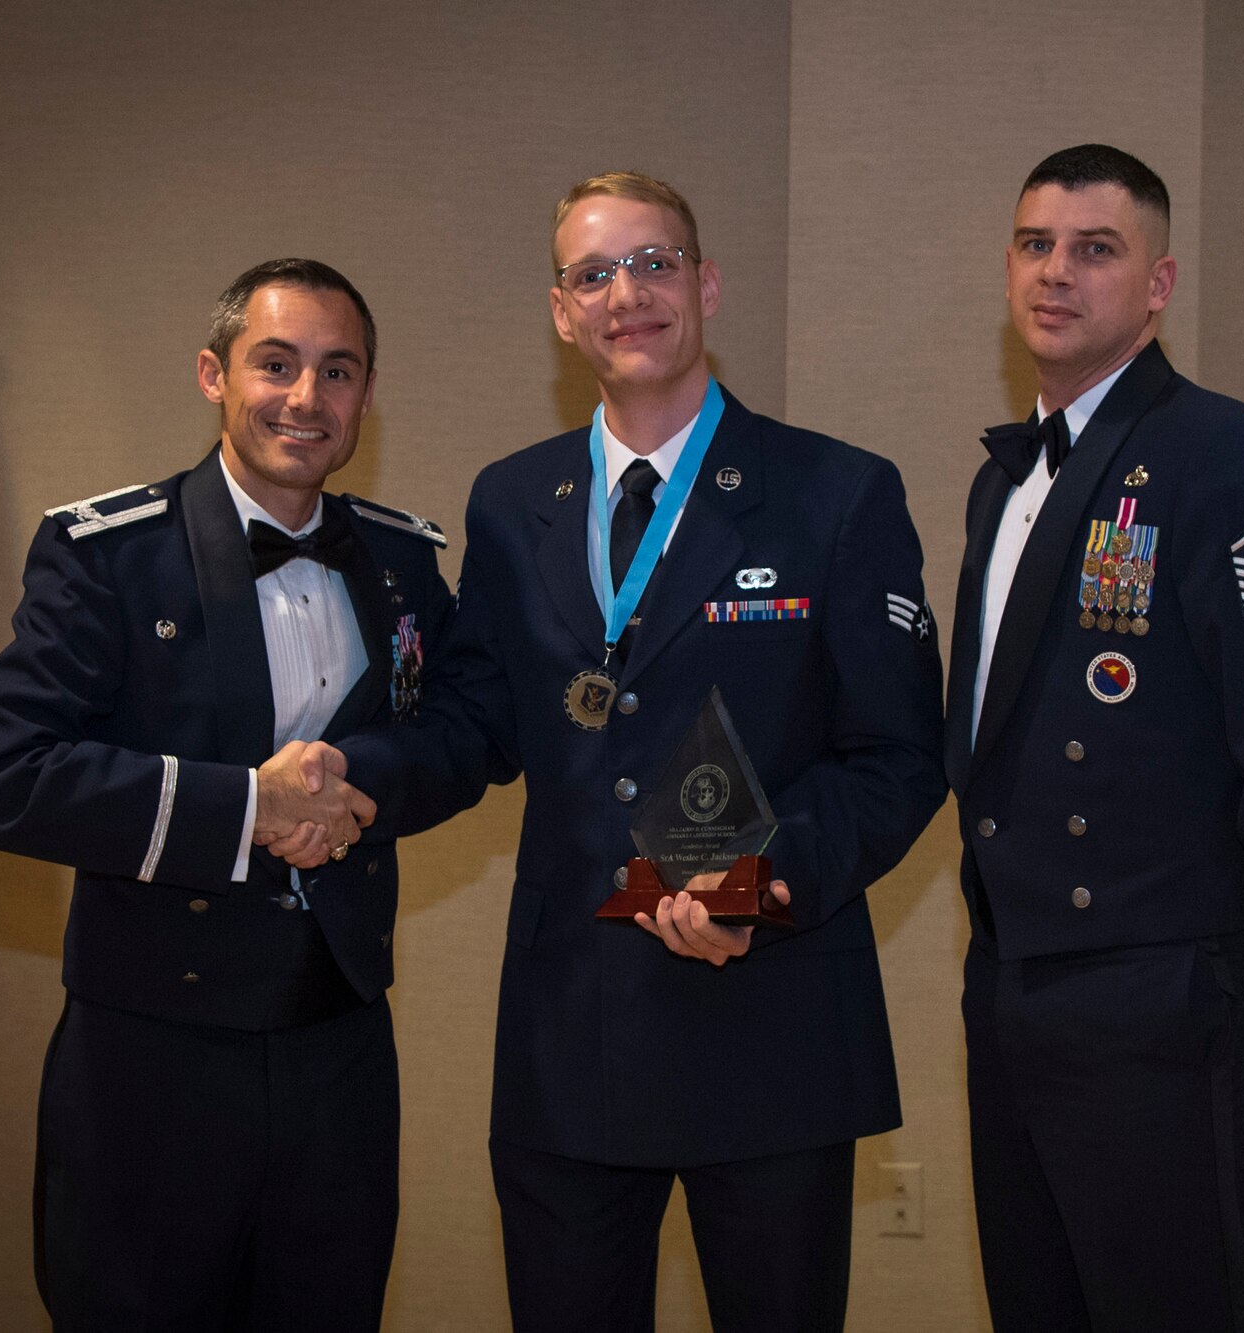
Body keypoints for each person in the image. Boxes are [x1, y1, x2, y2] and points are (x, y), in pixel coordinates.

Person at [323, 172, 945, 1332]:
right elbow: (479, 724)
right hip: (572, 1038)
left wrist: (760, 883)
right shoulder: (513, 502)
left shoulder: (835, 492)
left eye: (654, 263)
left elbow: (898, 755)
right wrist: (356, 779)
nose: (628, 294)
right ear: (561, 314)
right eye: (593, 274)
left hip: (770, 1024)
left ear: (704, 285)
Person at [944, 143, 1244, 1331]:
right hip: (1012, 986)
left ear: (1157, 284)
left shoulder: (1232, 459)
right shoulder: (1002, 483)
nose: (1057, 273)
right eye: (1035, 245)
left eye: (1096, 250)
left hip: (1167, 989)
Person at [0, 258, 452, 1329]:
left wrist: (357, 781)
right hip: (151, 1052)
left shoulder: (403, 562)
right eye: (274, 364)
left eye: (337, 370)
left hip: (339, 1046)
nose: (304, 398)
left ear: (366, 394)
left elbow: (469, 726)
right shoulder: (108, 557)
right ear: (213, 375)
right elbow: (1, 779)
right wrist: (249, 808)